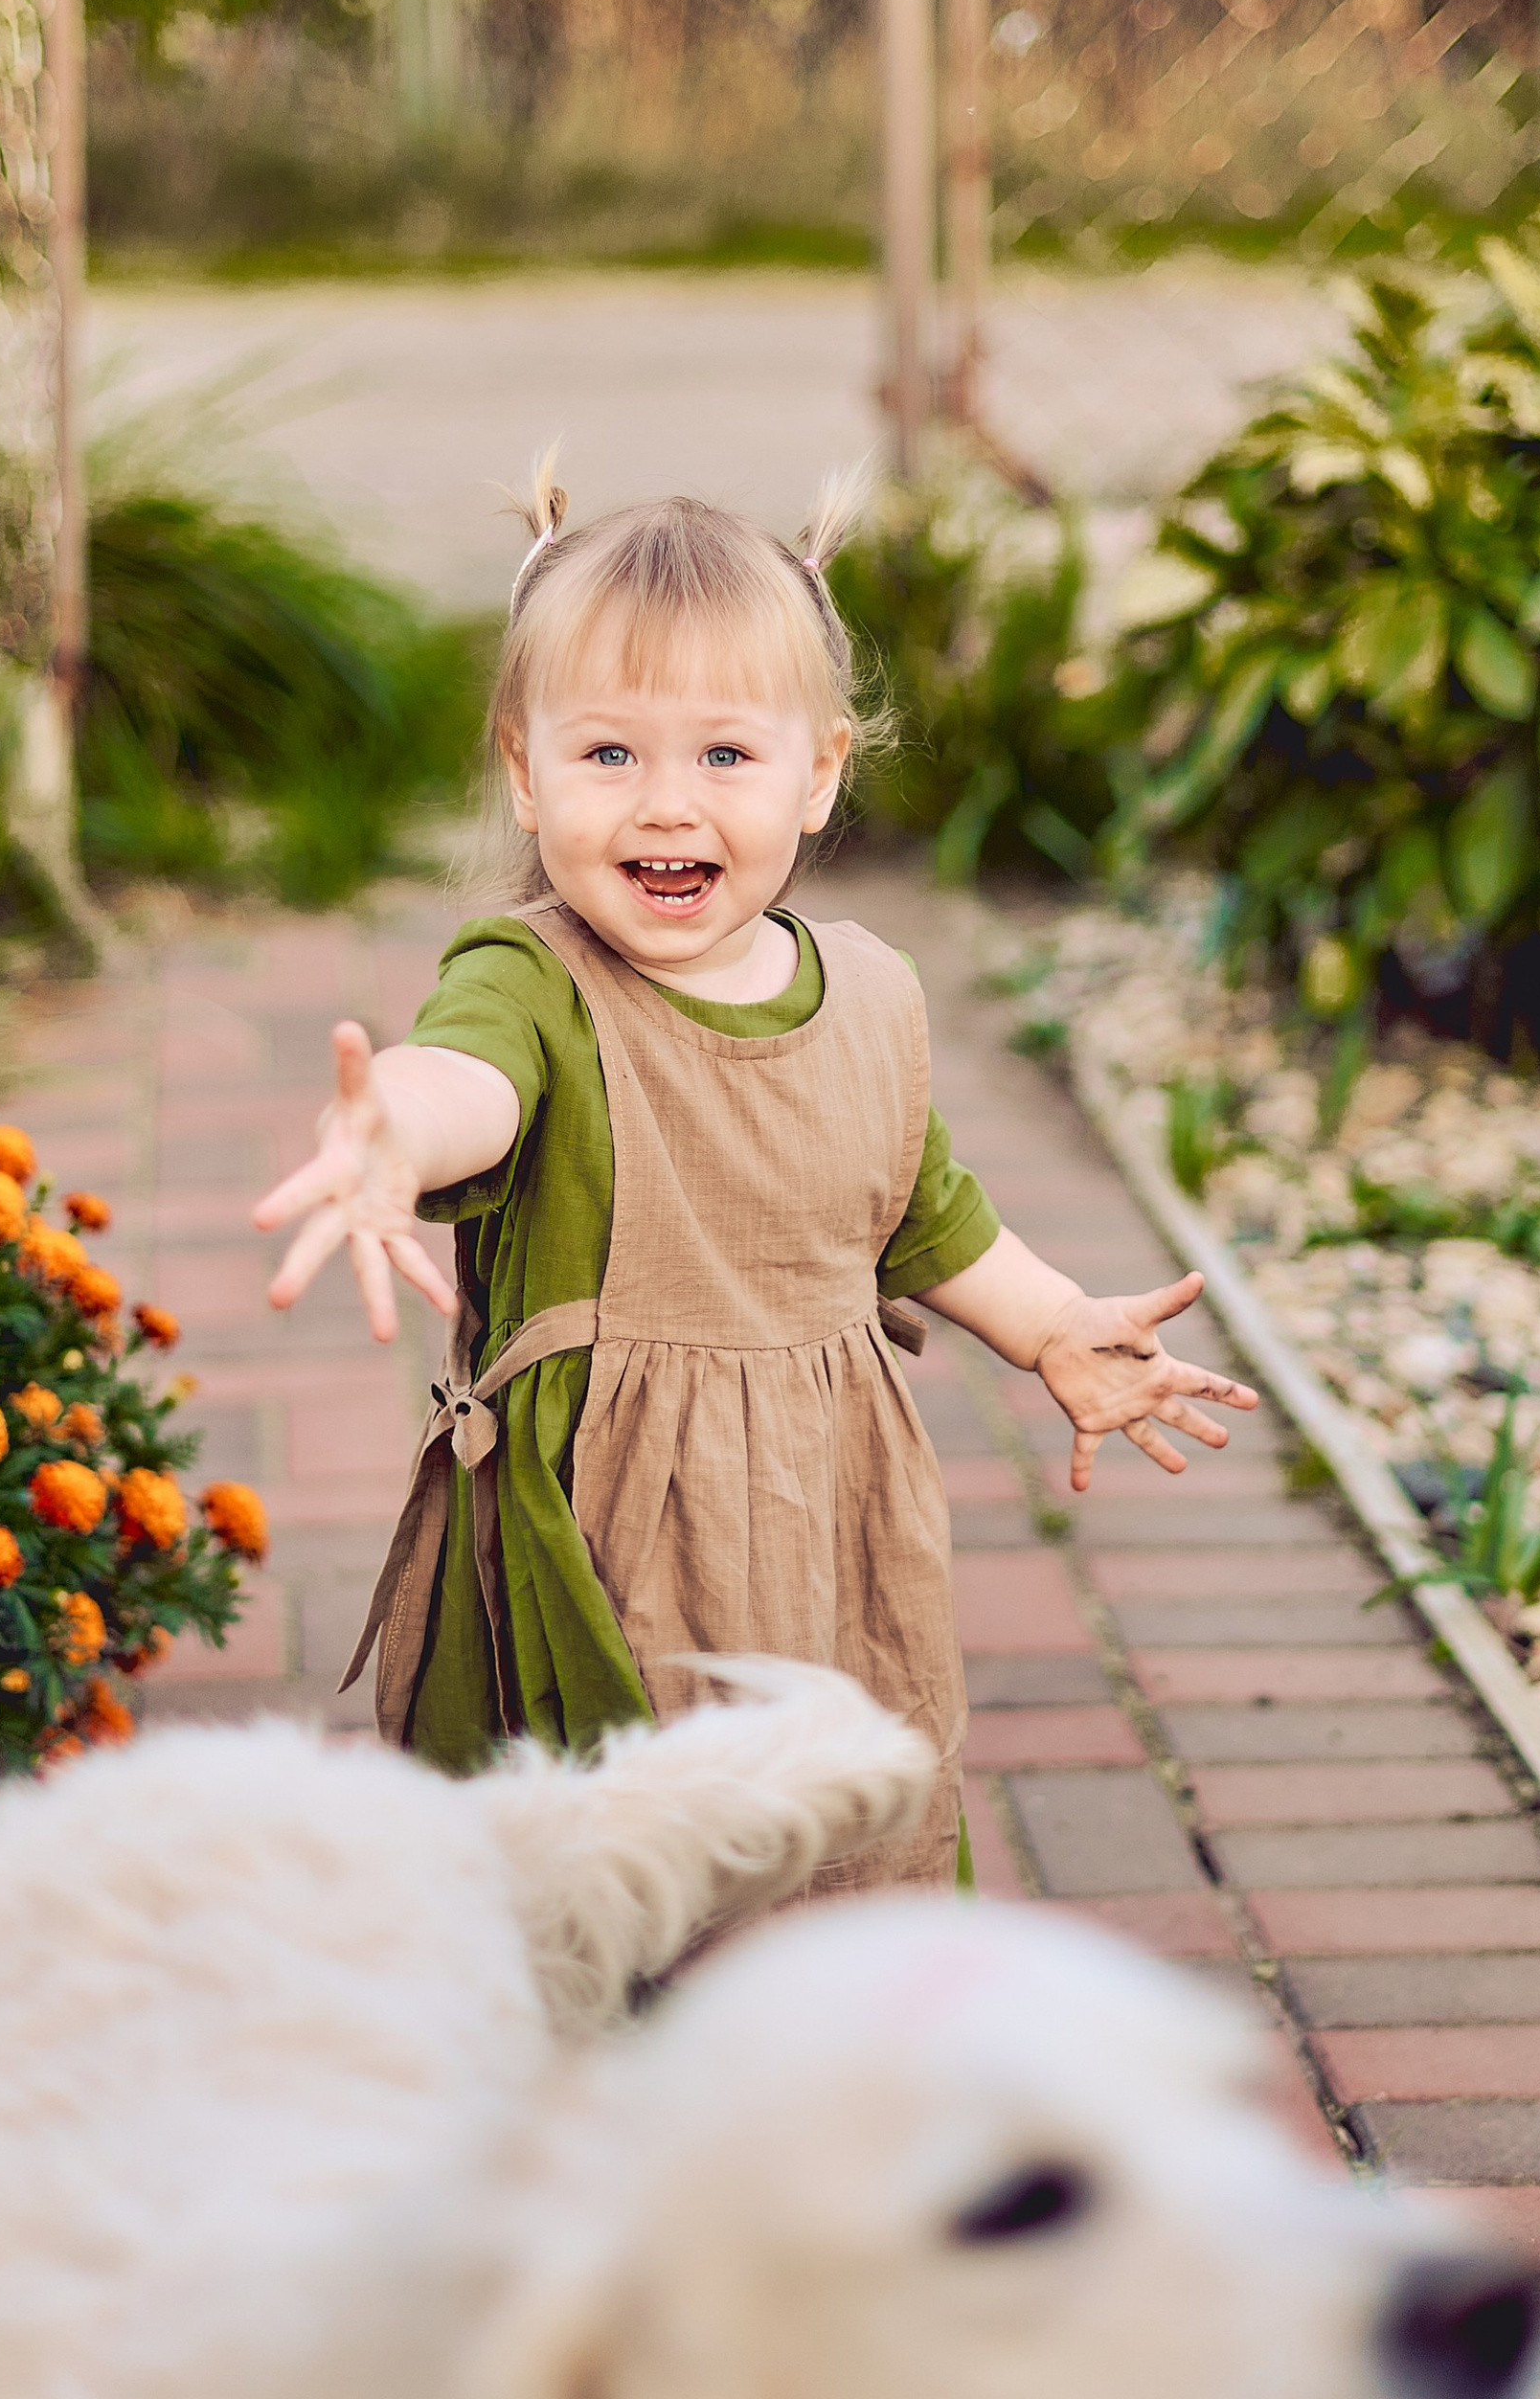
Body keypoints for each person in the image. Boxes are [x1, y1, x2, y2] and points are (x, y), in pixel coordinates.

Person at [254, 467, 1257, 1886]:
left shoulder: (869, 993)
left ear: (822, 769)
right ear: (526, 773)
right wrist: (389, 1138)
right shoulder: (532, 983)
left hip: (829, 1527)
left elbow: (918, 1212)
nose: (668, 806)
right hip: (606, 1543)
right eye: (609, 756)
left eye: (724, 756)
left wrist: (1051, 1330)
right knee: (619, 1883)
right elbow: (461, 1081)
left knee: (844, 1849)